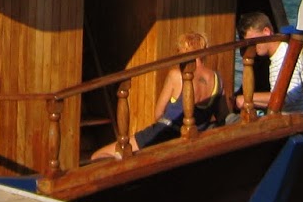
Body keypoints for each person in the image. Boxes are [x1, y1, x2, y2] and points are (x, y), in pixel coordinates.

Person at [94, 31, 227, 158]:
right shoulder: (217, 79)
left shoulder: (177, 75)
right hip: (195, 137)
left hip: (165, 132)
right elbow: (223, 116)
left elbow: (158, 113)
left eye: (179, 51)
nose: (177, 55)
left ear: (185, 51)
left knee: (99, 155)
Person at [235, 11, 303, 113]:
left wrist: (248, 98)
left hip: (298, 120)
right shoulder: (277, 56)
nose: (252, 47)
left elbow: (288, 97)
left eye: (253, 41)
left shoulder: (285, 55)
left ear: (266, 32)